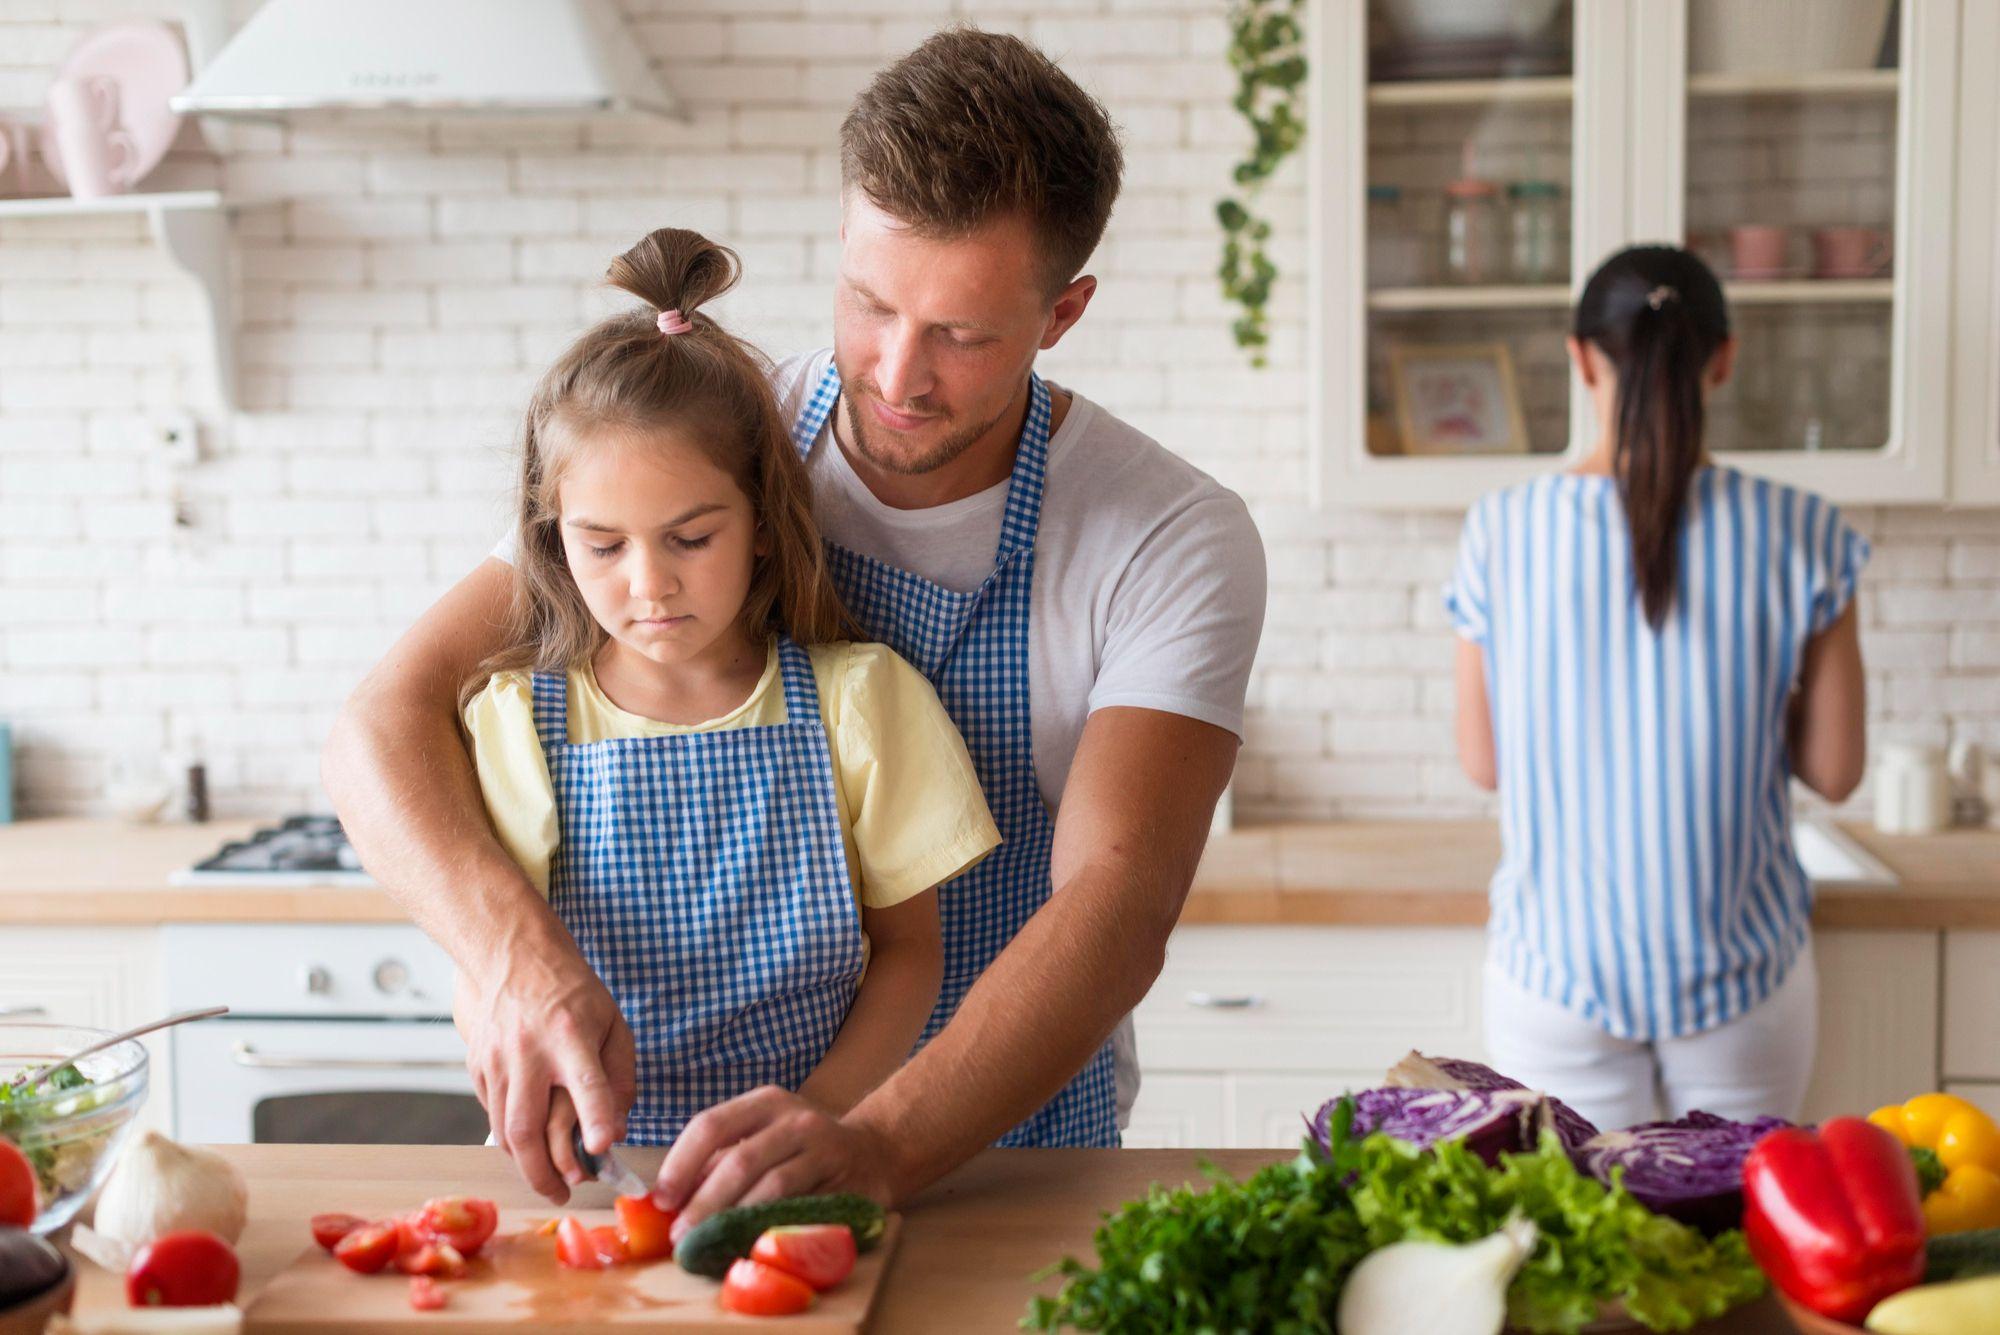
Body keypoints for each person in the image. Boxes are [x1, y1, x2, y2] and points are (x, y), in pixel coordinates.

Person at [320, 27, 1266, 1224]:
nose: (895, 373)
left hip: (1008, 1155)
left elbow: (1115, 909)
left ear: (1062, 313)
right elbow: (378, 726)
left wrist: (869, 1139)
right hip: (666, 1158)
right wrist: (507, 961)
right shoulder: (705, 441)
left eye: (962, 335)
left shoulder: (1166, 535)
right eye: (868, 304)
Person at [456, 227, 997, 1152]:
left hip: (805, 1166)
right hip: (596, 1174)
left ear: (760, 522)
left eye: (691, 538)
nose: (650, 583)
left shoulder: (861, 705)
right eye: (604, 545)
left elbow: (911, 955)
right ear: (553, 540)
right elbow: (492, 966)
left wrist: (819, 1115)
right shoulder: (518, 726)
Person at [1445, 244, 1869, 1132]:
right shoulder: (1804, 531)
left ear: (1578, 356)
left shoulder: (1500, 530)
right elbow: (1834, 771)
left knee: (1580, 1252)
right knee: (1742, 1244)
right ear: (1723, 357)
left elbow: (1483, 762)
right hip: (1741, 976)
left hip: (1556, 972)